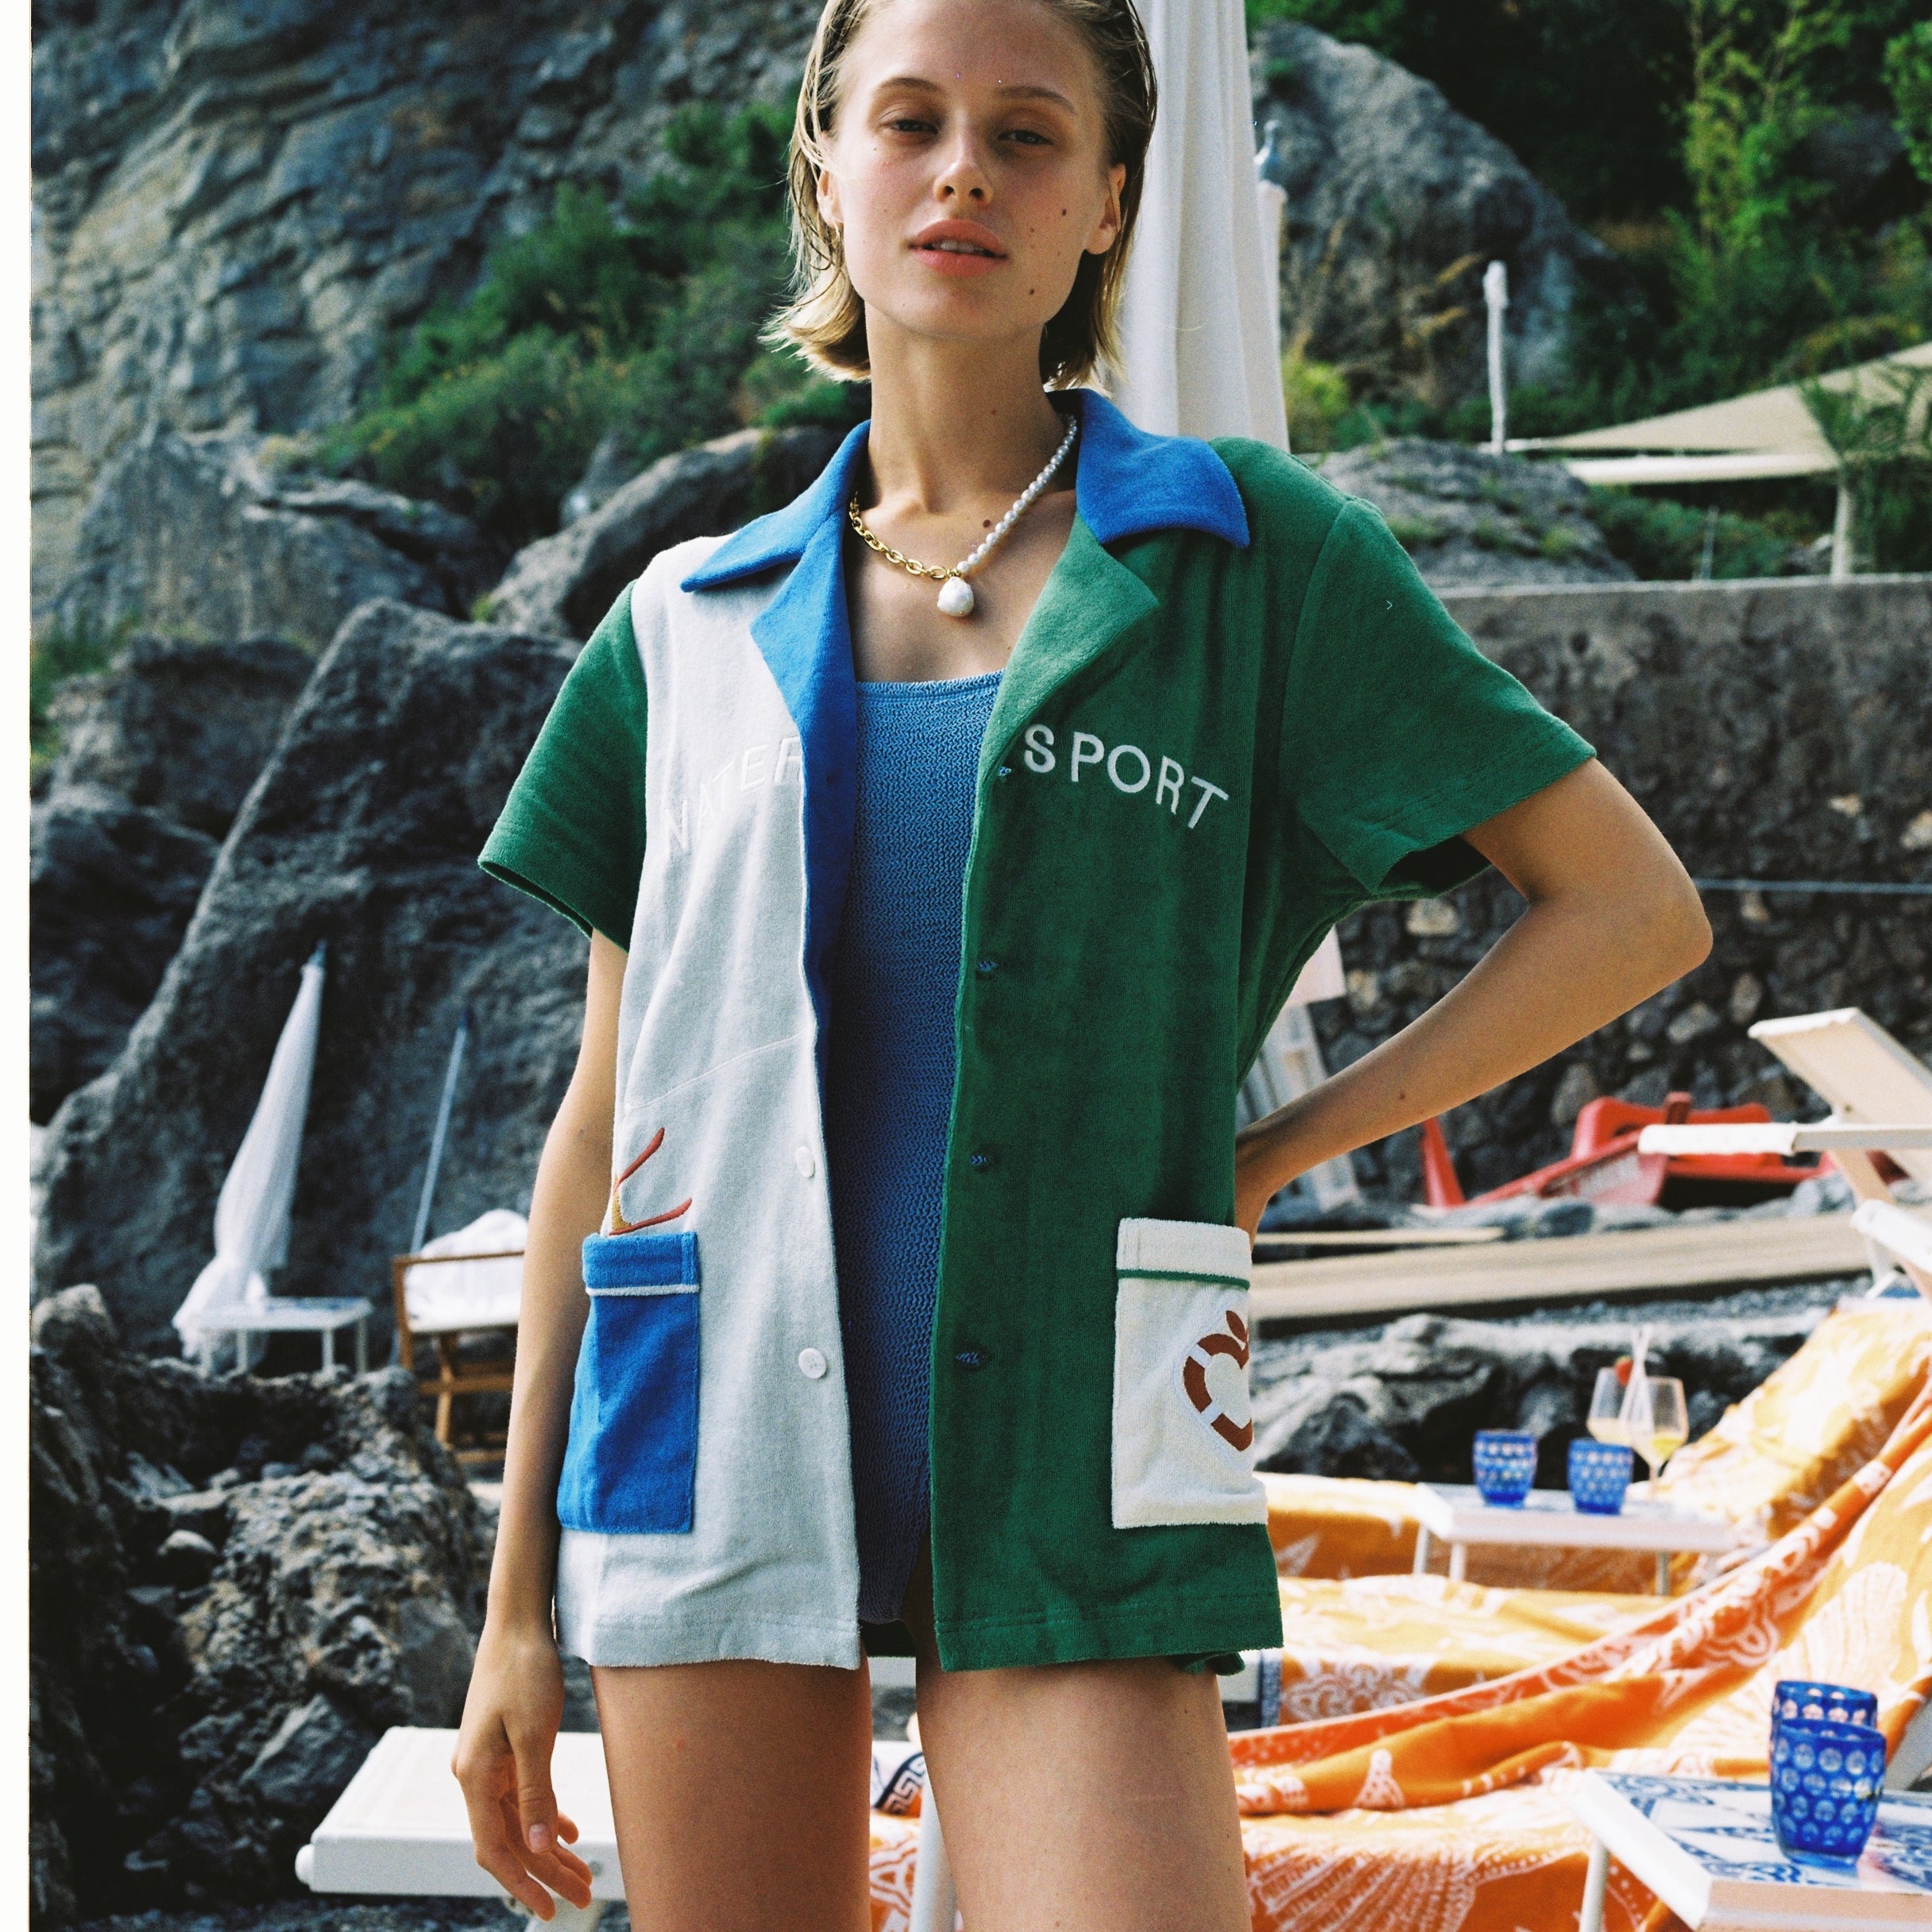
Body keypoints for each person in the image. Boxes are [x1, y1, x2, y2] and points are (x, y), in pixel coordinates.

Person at [451, 0, 1712, 1926]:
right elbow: (597, 1123)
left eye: (1029, 135)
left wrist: (1277, 1152)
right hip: (701, 1450)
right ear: (829, 172)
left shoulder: (1252, 561)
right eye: (912, 120)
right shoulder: (674, 629)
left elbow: (1628, 907)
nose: (965, 168)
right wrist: (510, 1611)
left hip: (1089, 1446)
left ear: (1109, 200)